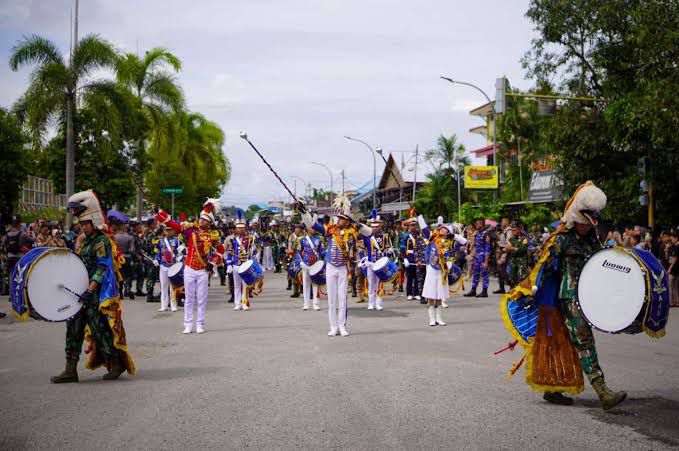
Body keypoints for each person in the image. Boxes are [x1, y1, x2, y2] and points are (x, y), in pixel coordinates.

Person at [503, 181, 626, 410]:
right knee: (584, 340)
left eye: (590, 223)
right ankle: (603, 392)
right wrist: (533, 290)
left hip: (588, 297)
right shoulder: (560, 239)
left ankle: (553, 389)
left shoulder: (592, 241)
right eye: (584, 223)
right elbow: (544, 266)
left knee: (563, 344)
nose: (588, 227)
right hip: (567, 298)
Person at [50, 190, 135, 383]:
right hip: (78, 293)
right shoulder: (84, 241)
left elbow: (102, 267)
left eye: (85, 224)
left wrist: (90, 289)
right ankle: (70, 370)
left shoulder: (101, 241)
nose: (82, 227)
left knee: (99, 330)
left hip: (94, 294)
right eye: (80, 224)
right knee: (73, 330)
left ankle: (116, 364)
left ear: (93, 222)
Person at [302, 195, 371, 337]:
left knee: (342, 299)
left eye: (341, 218)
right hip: (331, 267)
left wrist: (358, 224)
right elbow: (313, 225)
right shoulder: (331, 230)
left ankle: (342, 326)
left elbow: (369, 233)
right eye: (338, 218)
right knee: (332, 299)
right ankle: (333, 327)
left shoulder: (354, 232)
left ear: (348, 221)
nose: (338, 220)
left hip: (343, 268)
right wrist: (304, 213)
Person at [156, 199, 225, 334]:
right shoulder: (191, 231)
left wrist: (212, 263)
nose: (201, 221)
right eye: (201, 219)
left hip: (203, 270)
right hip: (189, 268)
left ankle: (200, 324)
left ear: (210, 222)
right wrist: (160, 213)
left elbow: (221, 251)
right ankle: (188, 324)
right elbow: (174, 225)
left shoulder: (213, 236)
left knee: (202, 298)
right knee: (189, 298)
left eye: (205, 220)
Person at [419, 216, 467, 326]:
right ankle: (431, 319)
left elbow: (464, 241)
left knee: (440, 295)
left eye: (445, 229)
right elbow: (425, 230)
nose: (442, 229)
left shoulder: (450, 242)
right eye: (441, 228)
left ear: (448, 232)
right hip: (432, 269)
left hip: (443, 270)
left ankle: (439, 318)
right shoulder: (433, 239)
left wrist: (453, 235)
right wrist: (420, 218)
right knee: (431, 294)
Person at [226, 210, 257, 311]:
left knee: (245, 286)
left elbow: (254, 252)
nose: (240, 230)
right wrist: (229, 265)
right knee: (236, 286)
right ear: (235, 229)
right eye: (238, 228)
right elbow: (229, 253)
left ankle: (245, 302)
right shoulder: (232, 240)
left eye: (242, 228)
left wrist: (254, 247)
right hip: (236, 265)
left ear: (245, 228)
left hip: (246, 265)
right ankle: (237, 303)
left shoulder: (250, 239)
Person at [364, 210, 392, 311]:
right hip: (370, 263)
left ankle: (379, 303)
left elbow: (387, 250)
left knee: (380, 283)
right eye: (373, 226)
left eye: (377, 226)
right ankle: (370, 303)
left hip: (380, 264)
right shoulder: (366, 237)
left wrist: (389, 252)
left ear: (380, 226)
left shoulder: (384, 237)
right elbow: (361, 249)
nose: (375, 228)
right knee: (371, 283)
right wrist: (364, 258)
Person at [298, 223, 324, 311]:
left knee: (315, 284)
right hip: (305, 264)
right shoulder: (302, 240)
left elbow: (322, 252)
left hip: (315, 265)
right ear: (307, 229)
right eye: (312, 228)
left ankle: (316, 304)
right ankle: (306, 304)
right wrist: (300, 262)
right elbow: (298, 252)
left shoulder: (319, 240)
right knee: (305, 285)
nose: (314, 229)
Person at [464, 218, 492, 298]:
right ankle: (473, 290)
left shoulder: (486, 234)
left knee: (484, 274)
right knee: (475, 273)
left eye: (477, 224)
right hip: (477, 257)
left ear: (482, 224)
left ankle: (484, 291)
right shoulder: (478, 233)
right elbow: (475, 245)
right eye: (476, 224)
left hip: (483, 257)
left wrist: (486, 261)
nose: (476, 225)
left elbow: (487, 248)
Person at [155, 224, 180, 312]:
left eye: (170, 230)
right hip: (163, 265)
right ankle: (164, 305)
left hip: (173, 265)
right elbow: (158, 252)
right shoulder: (160, 241)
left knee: (172, 286)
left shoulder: (177, 240)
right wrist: (156, 260)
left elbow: (180, 252)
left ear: (173, 231)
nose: (168, 232)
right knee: (163, 286)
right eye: (166, 230)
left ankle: (173, 305)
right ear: (164, 231)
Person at [403, 217, 426, 302]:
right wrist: (405, 258)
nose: (414, 227)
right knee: (409, 276)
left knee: (418, 276)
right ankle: (409, 293)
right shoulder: (406, 236)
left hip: (419, 257)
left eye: (415, 225)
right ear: (409, 226)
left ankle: (416, 293)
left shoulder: (420, 235)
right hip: (409, 256)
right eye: (412, 225)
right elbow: (402, 247)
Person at [505, 222, 529, 289]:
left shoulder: (524, 239)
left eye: (514, 230)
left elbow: (523, 249)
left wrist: (512, 248)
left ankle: (521, 294)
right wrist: (506, 249)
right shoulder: (511, 239)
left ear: (519, 230)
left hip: (521, 262)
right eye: (512, 230)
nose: (513, 232)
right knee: (511, 277)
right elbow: (507, 248)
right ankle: (512, 291)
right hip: (513, 261)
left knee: (521, 278)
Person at [141, 218, 160, 302]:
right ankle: (150, 295)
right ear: (151, 225)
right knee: (151, 276)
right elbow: (153, 247)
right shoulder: (151, 235)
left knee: (150, 276)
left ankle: (150, 294)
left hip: (148, 256)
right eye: (155, 223)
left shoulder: (146, 233)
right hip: (152, 257)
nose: (156, 225)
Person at [494, 217, 511, 294]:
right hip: (500, 251)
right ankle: (501, 287)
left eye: (503, 221)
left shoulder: (508, 231)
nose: (502, 222)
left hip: (505, 251)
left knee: (503, 270)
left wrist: (504, 254)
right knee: (499, 270)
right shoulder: (503, 231)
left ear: (506, 221)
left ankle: (512, 286)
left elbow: (508, 243)